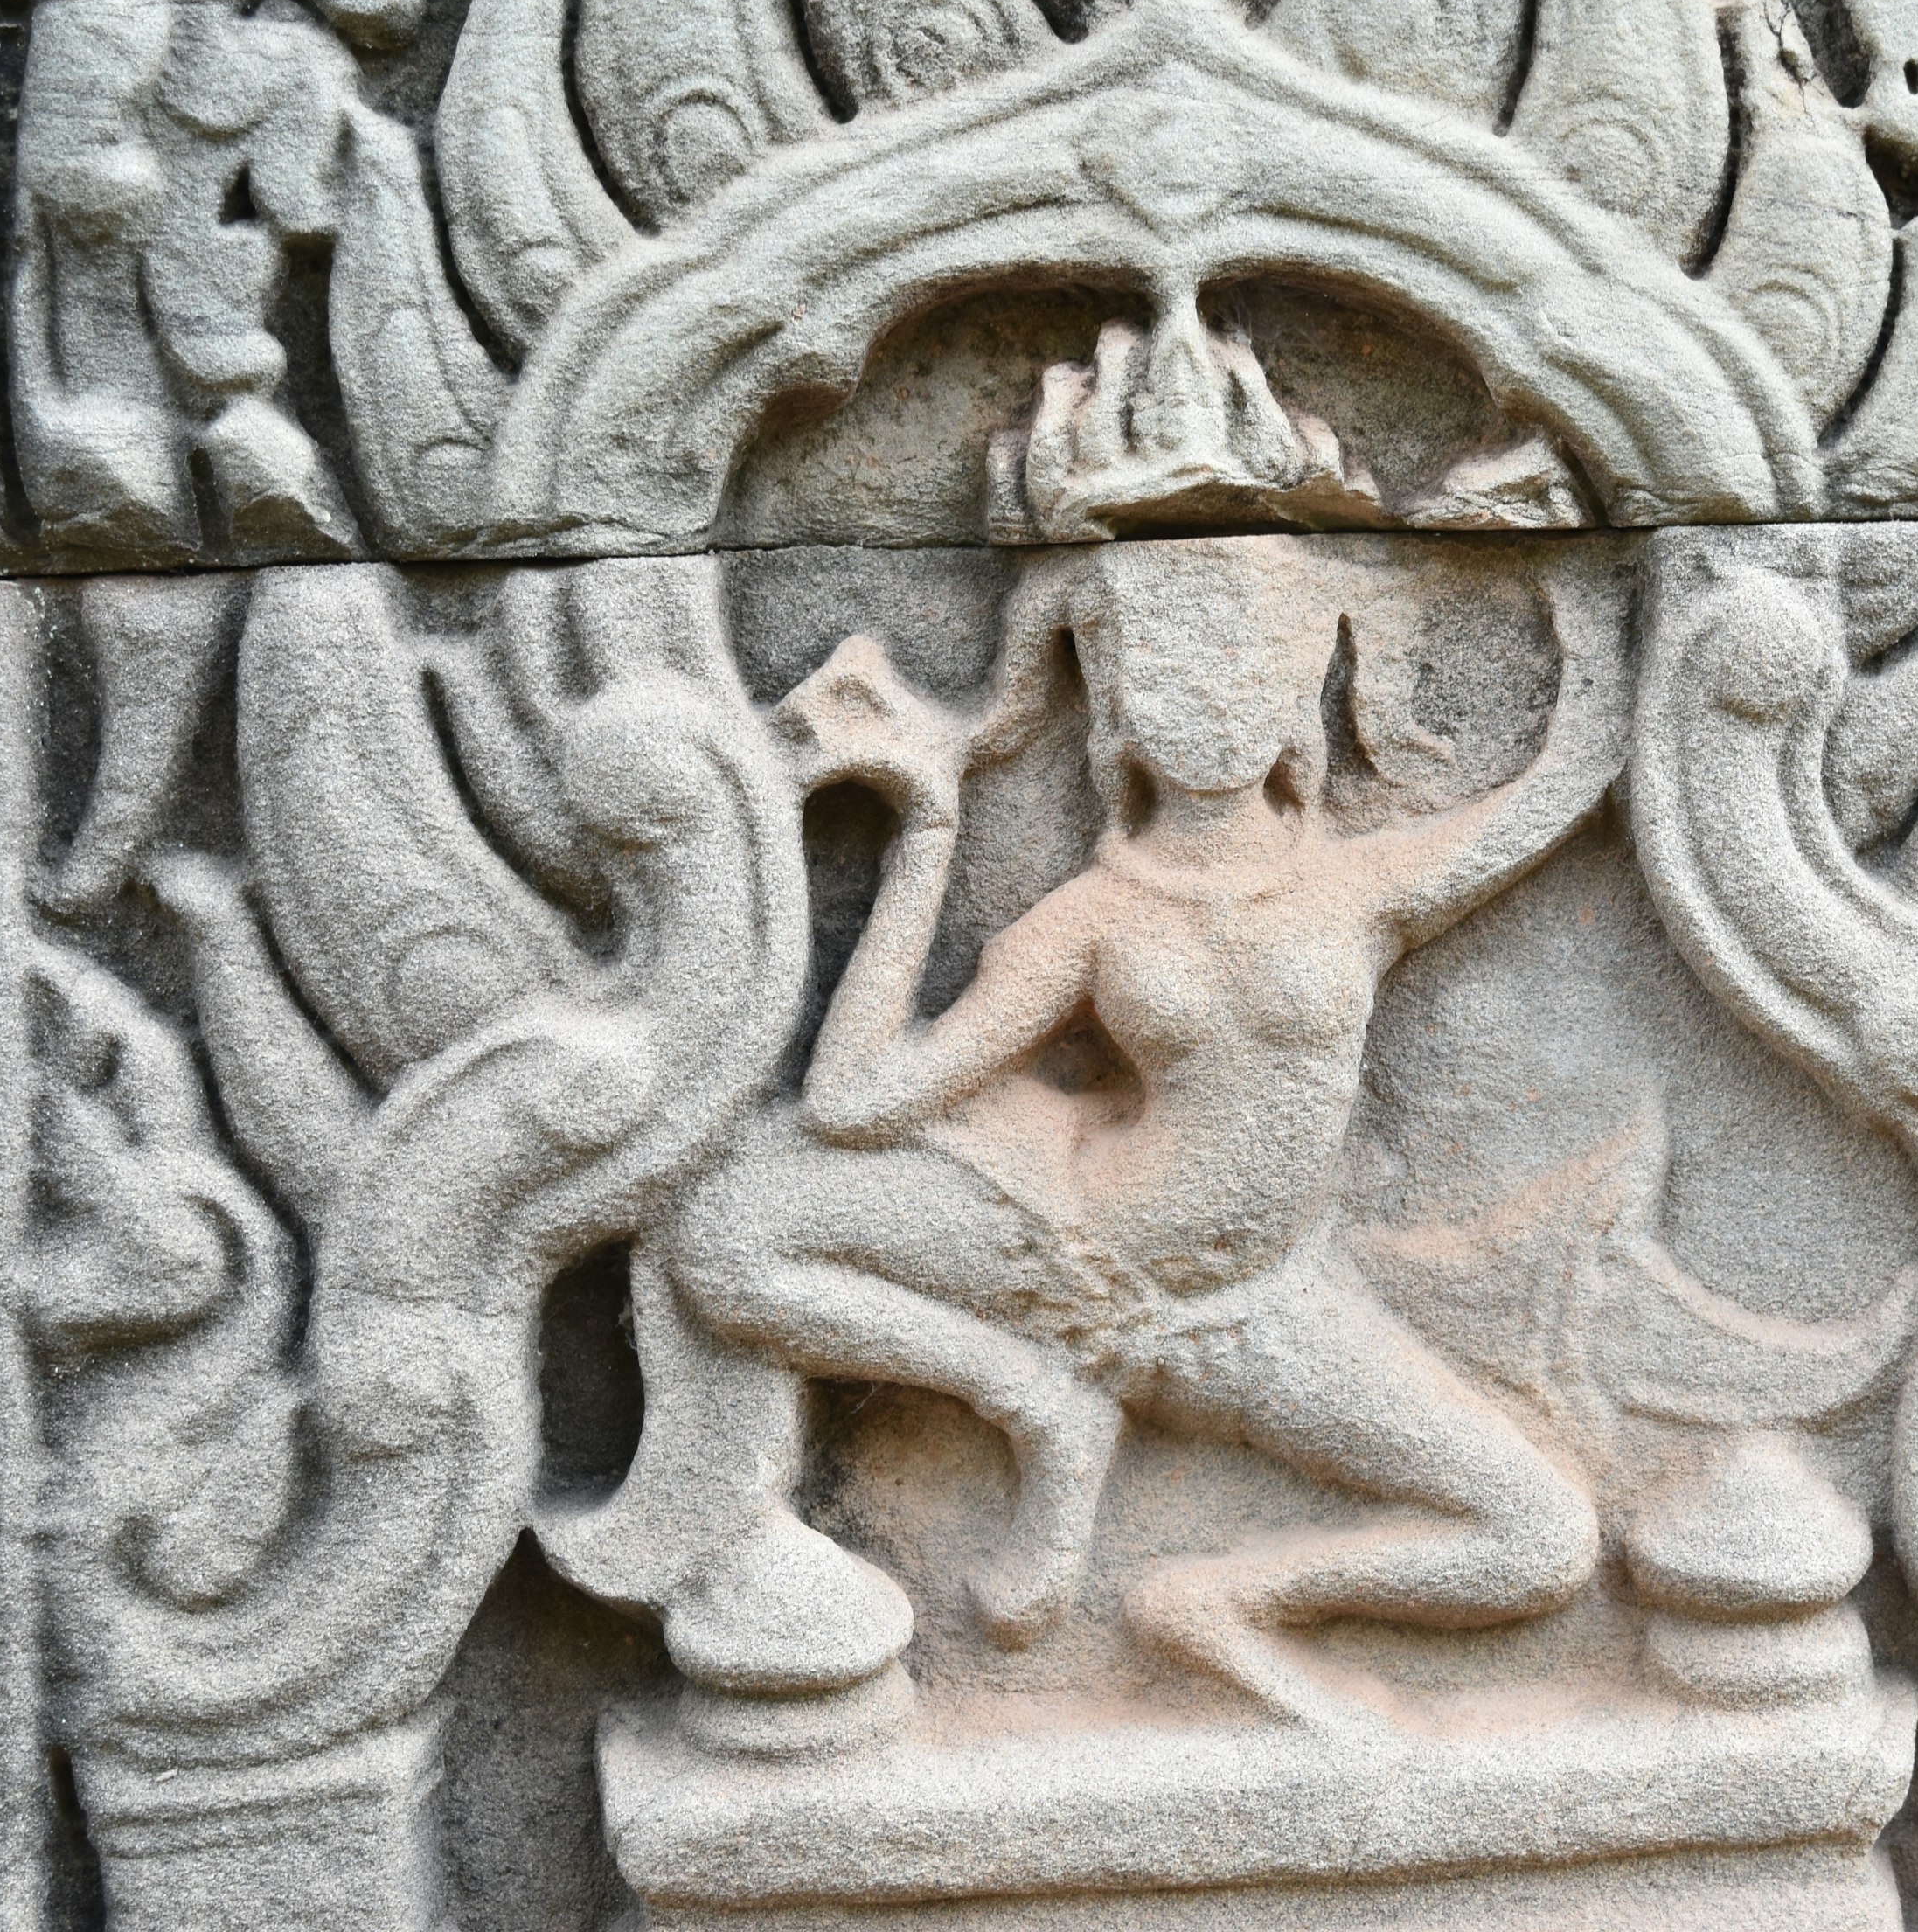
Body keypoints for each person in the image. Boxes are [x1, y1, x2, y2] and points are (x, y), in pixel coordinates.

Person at [678, 538, 1630, 1724]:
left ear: (1295, 694)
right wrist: (925, 831)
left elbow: (1562, 782)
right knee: (724, 1240)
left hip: (1267, 1314)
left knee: (1540, 1538)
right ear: (1116, 710)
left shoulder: (1360, 888)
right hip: (1077, 1261)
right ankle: (1032, 1404)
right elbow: (858, 1099)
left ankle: (1216, 1605)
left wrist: (1584, 565)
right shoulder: (1092, 922)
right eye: (1171, 667)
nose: (1208, 698)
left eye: (1238, 659)